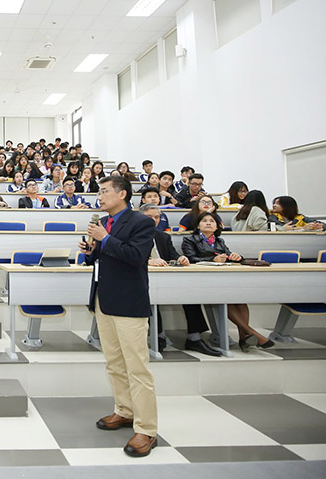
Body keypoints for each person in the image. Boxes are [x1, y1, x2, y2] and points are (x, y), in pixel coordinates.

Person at [78, 175, 158, 457]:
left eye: (104, 191)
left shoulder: (141, 222)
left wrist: (106, 239)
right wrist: (91, 251)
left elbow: (136, 256)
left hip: (128, 302)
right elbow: (103, 258)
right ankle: (124, 410)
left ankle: (146, 429)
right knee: (114, 363)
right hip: (104, 299)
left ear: (122, 194)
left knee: (137, 367)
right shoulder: (104, 222)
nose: (99, 196)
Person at [181, 212, 273, 352]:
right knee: (226, 299)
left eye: (212, 221)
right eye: (204, 221)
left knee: (240, 300)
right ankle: (251, 333)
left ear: (217, 226)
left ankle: (243, 337)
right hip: (202, 280)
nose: (208, 223)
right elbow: (191, 258)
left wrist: (237, 257)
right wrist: (212, 259)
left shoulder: (219, 241)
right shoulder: (189, 240)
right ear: (198, 225)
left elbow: (228, 255)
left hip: (221, 279)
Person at [138, 204, 221, 357]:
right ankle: (159, 335)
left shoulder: (163, 237)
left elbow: (173, 255)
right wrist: (148, 261)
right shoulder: (131, 235)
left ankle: (194, 338)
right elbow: (127, 256)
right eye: (149, 217)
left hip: (165, 278)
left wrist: (180, 258)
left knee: (188, 292)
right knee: (149, 296)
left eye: (157, 217)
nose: (154, 220)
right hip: (140, 280)